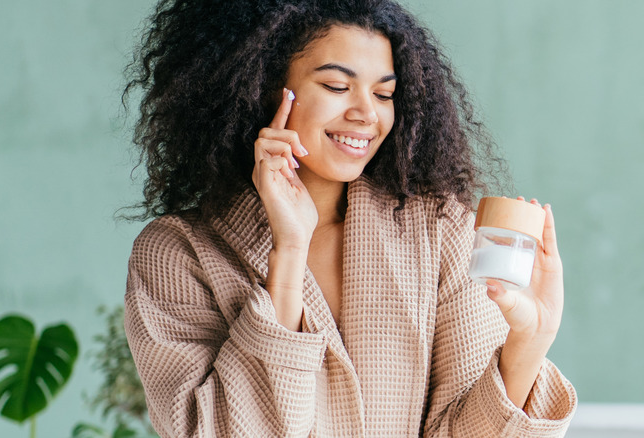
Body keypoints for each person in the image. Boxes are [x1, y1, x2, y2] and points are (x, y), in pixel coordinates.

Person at [122, 0, 577, 436]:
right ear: (261, 86)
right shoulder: (177, 254)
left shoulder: (439, 232)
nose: (366, 114)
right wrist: (289, 251)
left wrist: (528, 344)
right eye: (337, 87)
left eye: (384, 93)